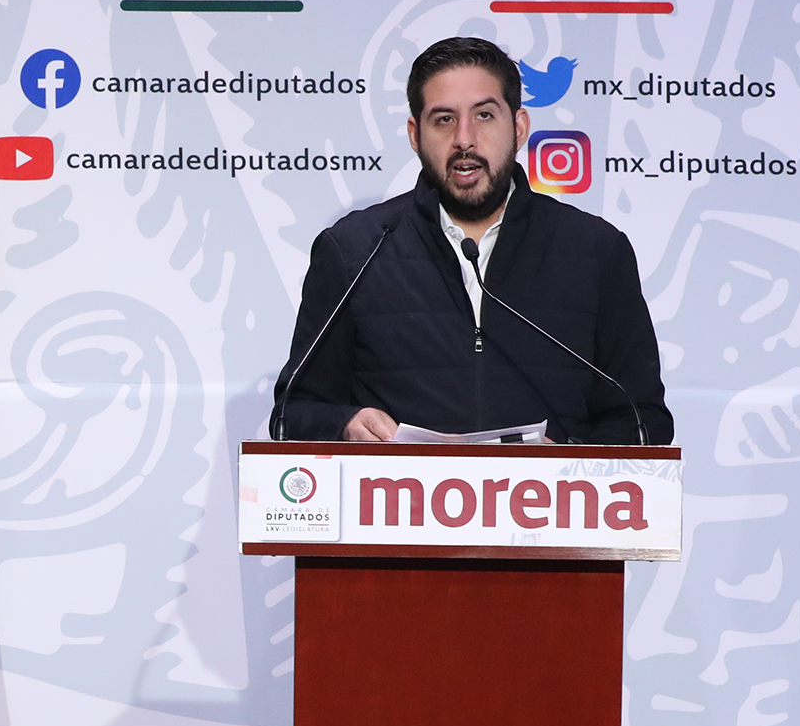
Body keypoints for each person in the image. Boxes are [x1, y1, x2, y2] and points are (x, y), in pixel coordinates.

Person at [268, 36, 672, 445]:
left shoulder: (597, 252)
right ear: (415, 134)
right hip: (394, 489)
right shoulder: (356, 251)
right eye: (444, 119)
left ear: (519, 127)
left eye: (484, 115)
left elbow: (643, 420)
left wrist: (568, 459)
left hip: (554, 488)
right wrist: (346, 423)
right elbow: (293, 412)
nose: (464, 138)